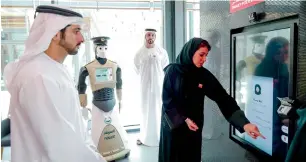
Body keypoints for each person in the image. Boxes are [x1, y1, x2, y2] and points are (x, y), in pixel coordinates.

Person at [3, 5, 106, 162]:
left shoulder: (55, 68)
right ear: (56, 34)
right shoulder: (38, 75)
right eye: (76, 31)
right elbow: (59, 142)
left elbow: (75, 126)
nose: (81, 39)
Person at [158, 37, 265, 162]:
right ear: (190, 52)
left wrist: (244, 124)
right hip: (174, 126)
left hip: (194, 127)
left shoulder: (203, 75)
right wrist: (185, 119)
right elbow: (167, 101)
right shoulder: (173, 71)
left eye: (206, 55)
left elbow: (223, 98)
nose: (204, 59)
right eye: (201, 55)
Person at [77, 36, 130, 161]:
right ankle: (98, 151)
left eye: (105, 47)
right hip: (97, 104)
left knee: (117, 126)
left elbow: (119, 83)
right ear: (95, 48)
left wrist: (120, 99)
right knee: (97, 131)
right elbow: (81, 85)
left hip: (112, 103)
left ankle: (120, 147)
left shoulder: (114, 65)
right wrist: (82, 103)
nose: (103, 50)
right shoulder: (88, 67)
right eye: (100, 48)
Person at [134, 28, 169, 146]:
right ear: (145, 36)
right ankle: (145, 137)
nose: (150, 37)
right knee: (145, 109)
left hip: (159, 86)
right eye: (148, 35)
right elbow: (137, 69)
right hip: (145, 86)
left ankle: (160, 137)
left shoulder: (162, 52)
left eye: (153, 35)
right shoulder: (139, 53)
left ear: (155, 37)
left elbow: (166, 67)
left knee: (159, 108)